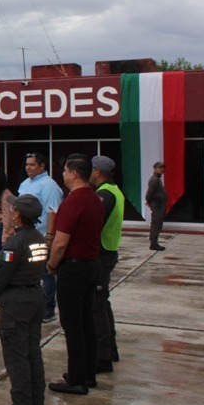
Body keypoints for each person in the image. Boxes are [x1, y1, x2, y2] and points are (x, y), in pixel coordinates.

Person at [0, 194, 48, 405]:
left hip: (17, 301)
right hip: (35, 295)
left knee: (16, 356)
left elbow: (3, 273)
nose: (11, 212)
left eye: (14, 209)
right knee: (32, 352)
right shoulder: (39, 238)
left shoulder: (15, 242)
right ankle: (37, 403)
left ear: (19, 215)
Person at [47, 154, 104, 396]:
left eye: (65, 171)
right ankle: (88, 373)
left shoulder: (73, 202)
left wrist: (51, 264)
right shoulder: (94, 198)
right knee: (86, 321)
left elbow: (61, 242)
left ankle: (76, 379)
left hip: (73, 267)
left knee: (72, 324)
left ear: (73, 174)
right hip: (91, 265)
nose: (62, 175)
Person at [17, 152, 63, 323]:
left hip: (41, 237)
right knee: (28, 274)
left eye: (32, 165)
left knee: (45, 274)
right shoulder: (25, 184)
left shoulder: (49, 186)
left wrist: (49, 238)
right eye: (27, 164)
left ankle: (48, 310)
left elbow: (53, 212)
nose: (28, 168)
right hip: (24, 236)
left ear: (42, 166)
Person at [90, 155, 124, 373]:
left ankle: (102, 356)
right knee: (102, 302)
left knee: (96, 305)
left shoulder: (104, 195)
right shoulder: (115, 191)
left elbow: (94, 222)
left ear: (97, 172)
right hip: (109, 251)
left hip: (102, 254)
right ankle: (110, 349)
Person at [146, 161, 167, 251]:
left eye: (162, 168)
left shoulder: (157, 179)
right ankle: (153, 243)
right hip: (157, 204)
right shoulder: (155, 180)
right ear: (155, 169)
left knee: (158, 224)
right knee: (156, 224)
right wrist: (149, 201)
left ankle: (154, 242)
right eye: (160, 168)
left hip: (159, 204)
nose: (162, 169)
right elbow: (149, 193)